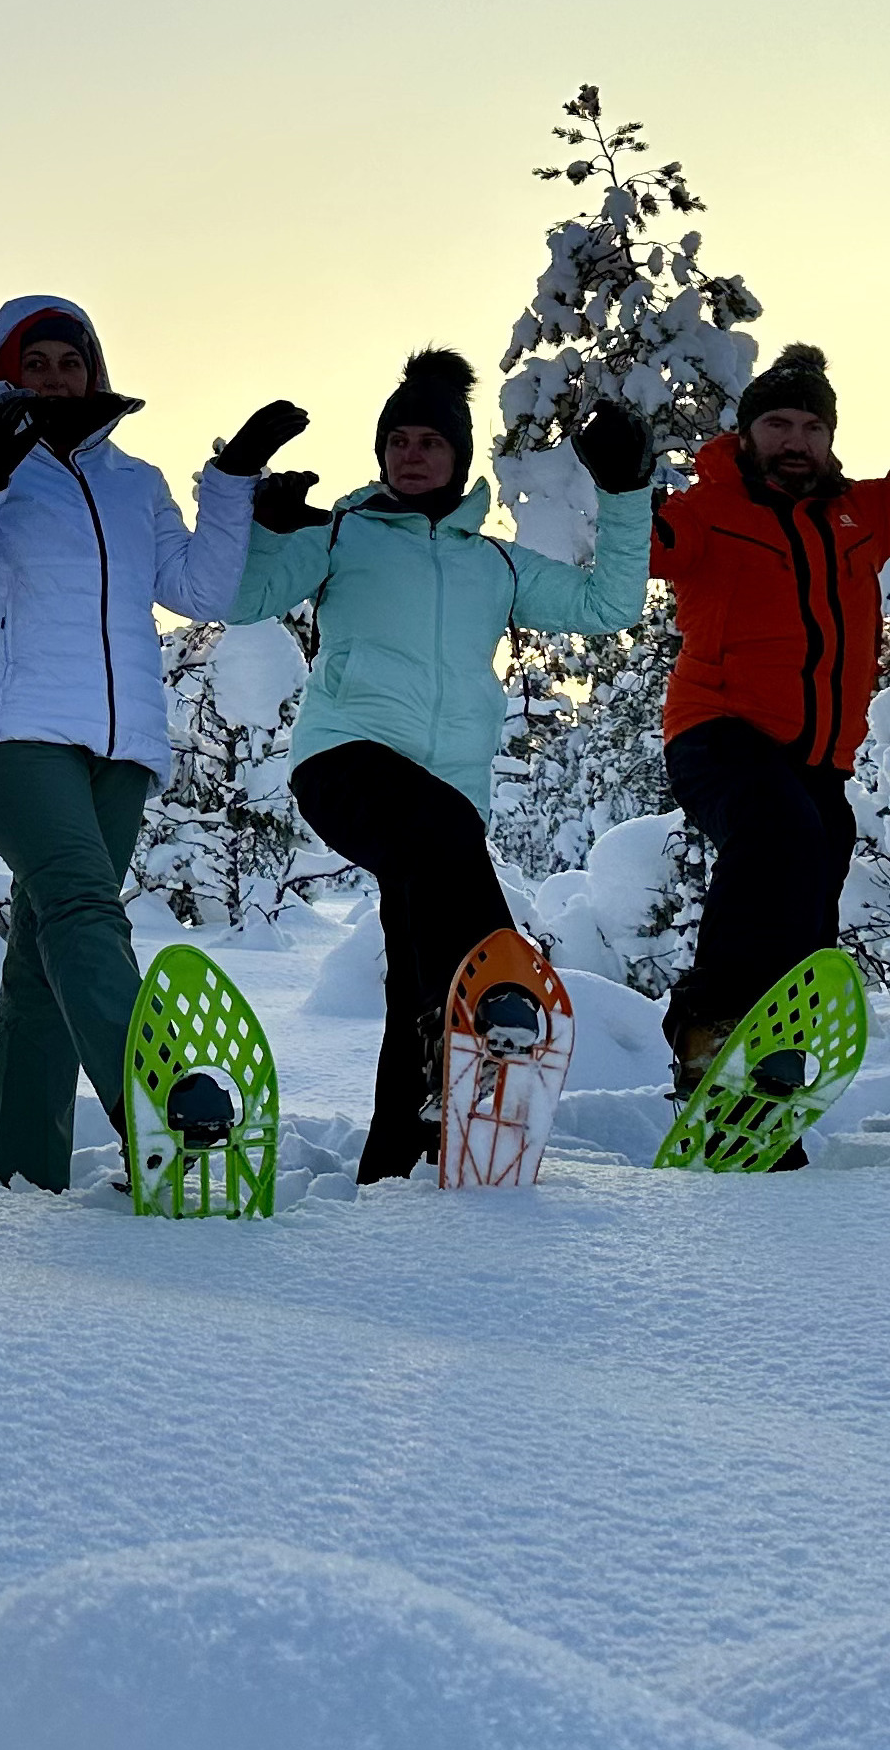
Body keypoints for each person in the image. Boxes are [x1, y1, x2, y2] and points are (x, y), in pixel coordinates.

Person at [0, 295, 302, 1193]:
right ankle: (155, 1103)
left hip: (118, 745)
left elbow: (197, 588)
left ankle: (19, 1175)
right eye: (31, 363)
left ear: (94, 370)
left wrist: (232, 479)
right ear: (3, 374)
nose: (50, 377)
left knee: (45, 957)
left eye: (66, 362)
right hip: (4, 726)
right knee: (83, 905)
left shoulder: (133, 479)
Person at [228, 350, 653, 1181]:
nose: (412, 453)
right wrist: (261, 524)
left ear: (457, 456)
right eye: (398, 440)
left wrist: (626, 491)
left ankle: (397, 1153)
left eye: (430, 440)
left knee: (418, 971)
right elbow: (241, 598)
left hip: (445, 804)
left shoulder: (492, 562)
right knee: (447, 875)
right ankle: (491, 1000)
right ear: (381, 452)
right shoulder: (340, 533)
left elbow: (610, 605)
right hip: (345, 761)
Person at [649, 243, 890, 1103]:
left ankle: (769, 1068)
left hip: (814, 757)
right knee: (778, 830)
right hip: (715, 732)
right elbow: (642, 548)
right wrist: (618, 484)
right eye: (777, 425)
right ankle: (705, 1023)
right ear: (745, 434)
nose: (794, 441)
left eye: (810, 428)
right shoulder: (708, 510)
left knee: (816, 861)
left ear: (828, 439)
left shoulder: (863, 515)